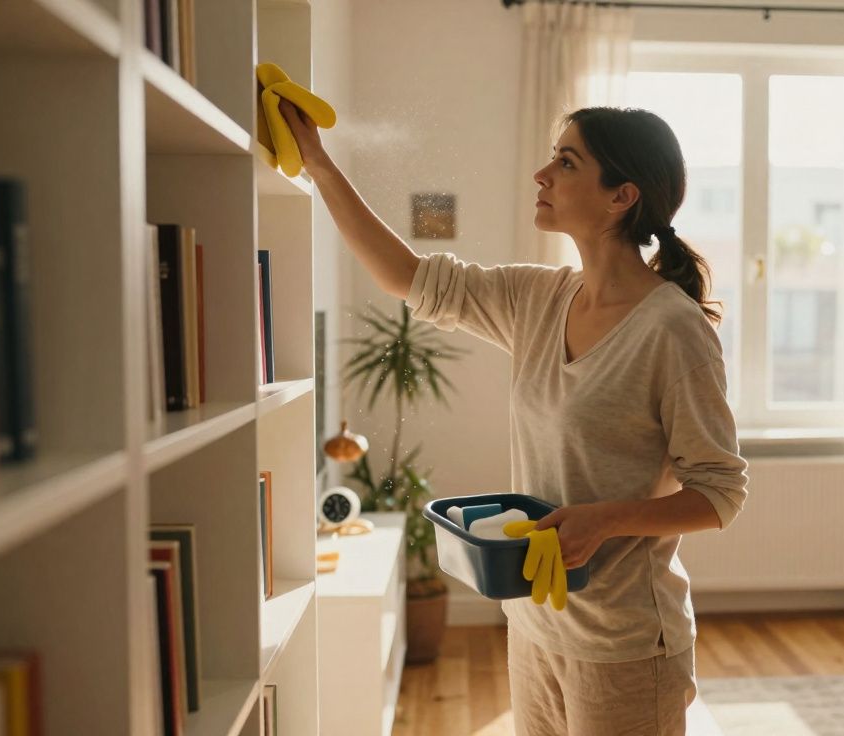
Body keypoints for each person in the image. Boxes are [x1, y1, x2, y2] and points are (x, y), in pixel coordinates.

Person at [282, 99, 749, 736]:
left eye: (567, 162)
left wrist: (603, 520)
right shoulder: (539, 297)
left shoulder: (674, 330)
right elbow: (405, 276)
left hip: (626, 646)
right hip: (533, 624)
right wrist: (316, 163)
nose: (542, 174)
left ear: (621, 197)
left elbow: (720, 494)